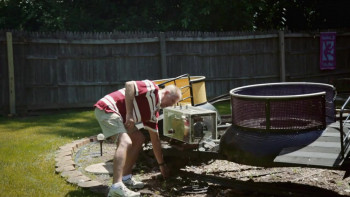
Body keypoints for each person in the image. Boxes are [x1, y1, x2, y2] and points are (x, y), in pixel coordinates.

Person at [94, 80, 182, 197]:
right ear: (165, 93)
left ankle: (125, 178)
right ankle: (116, 186)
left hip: (119, 116)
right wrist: (129, 114)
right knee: (125, 141)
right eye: (172, 101)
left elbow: (155, 140)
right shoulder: (152, 89)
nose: (171, 105)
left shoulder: (153, 114)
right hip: (108, 108)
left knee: (139, 138)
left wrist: (161, 165)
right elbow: (129, 85)